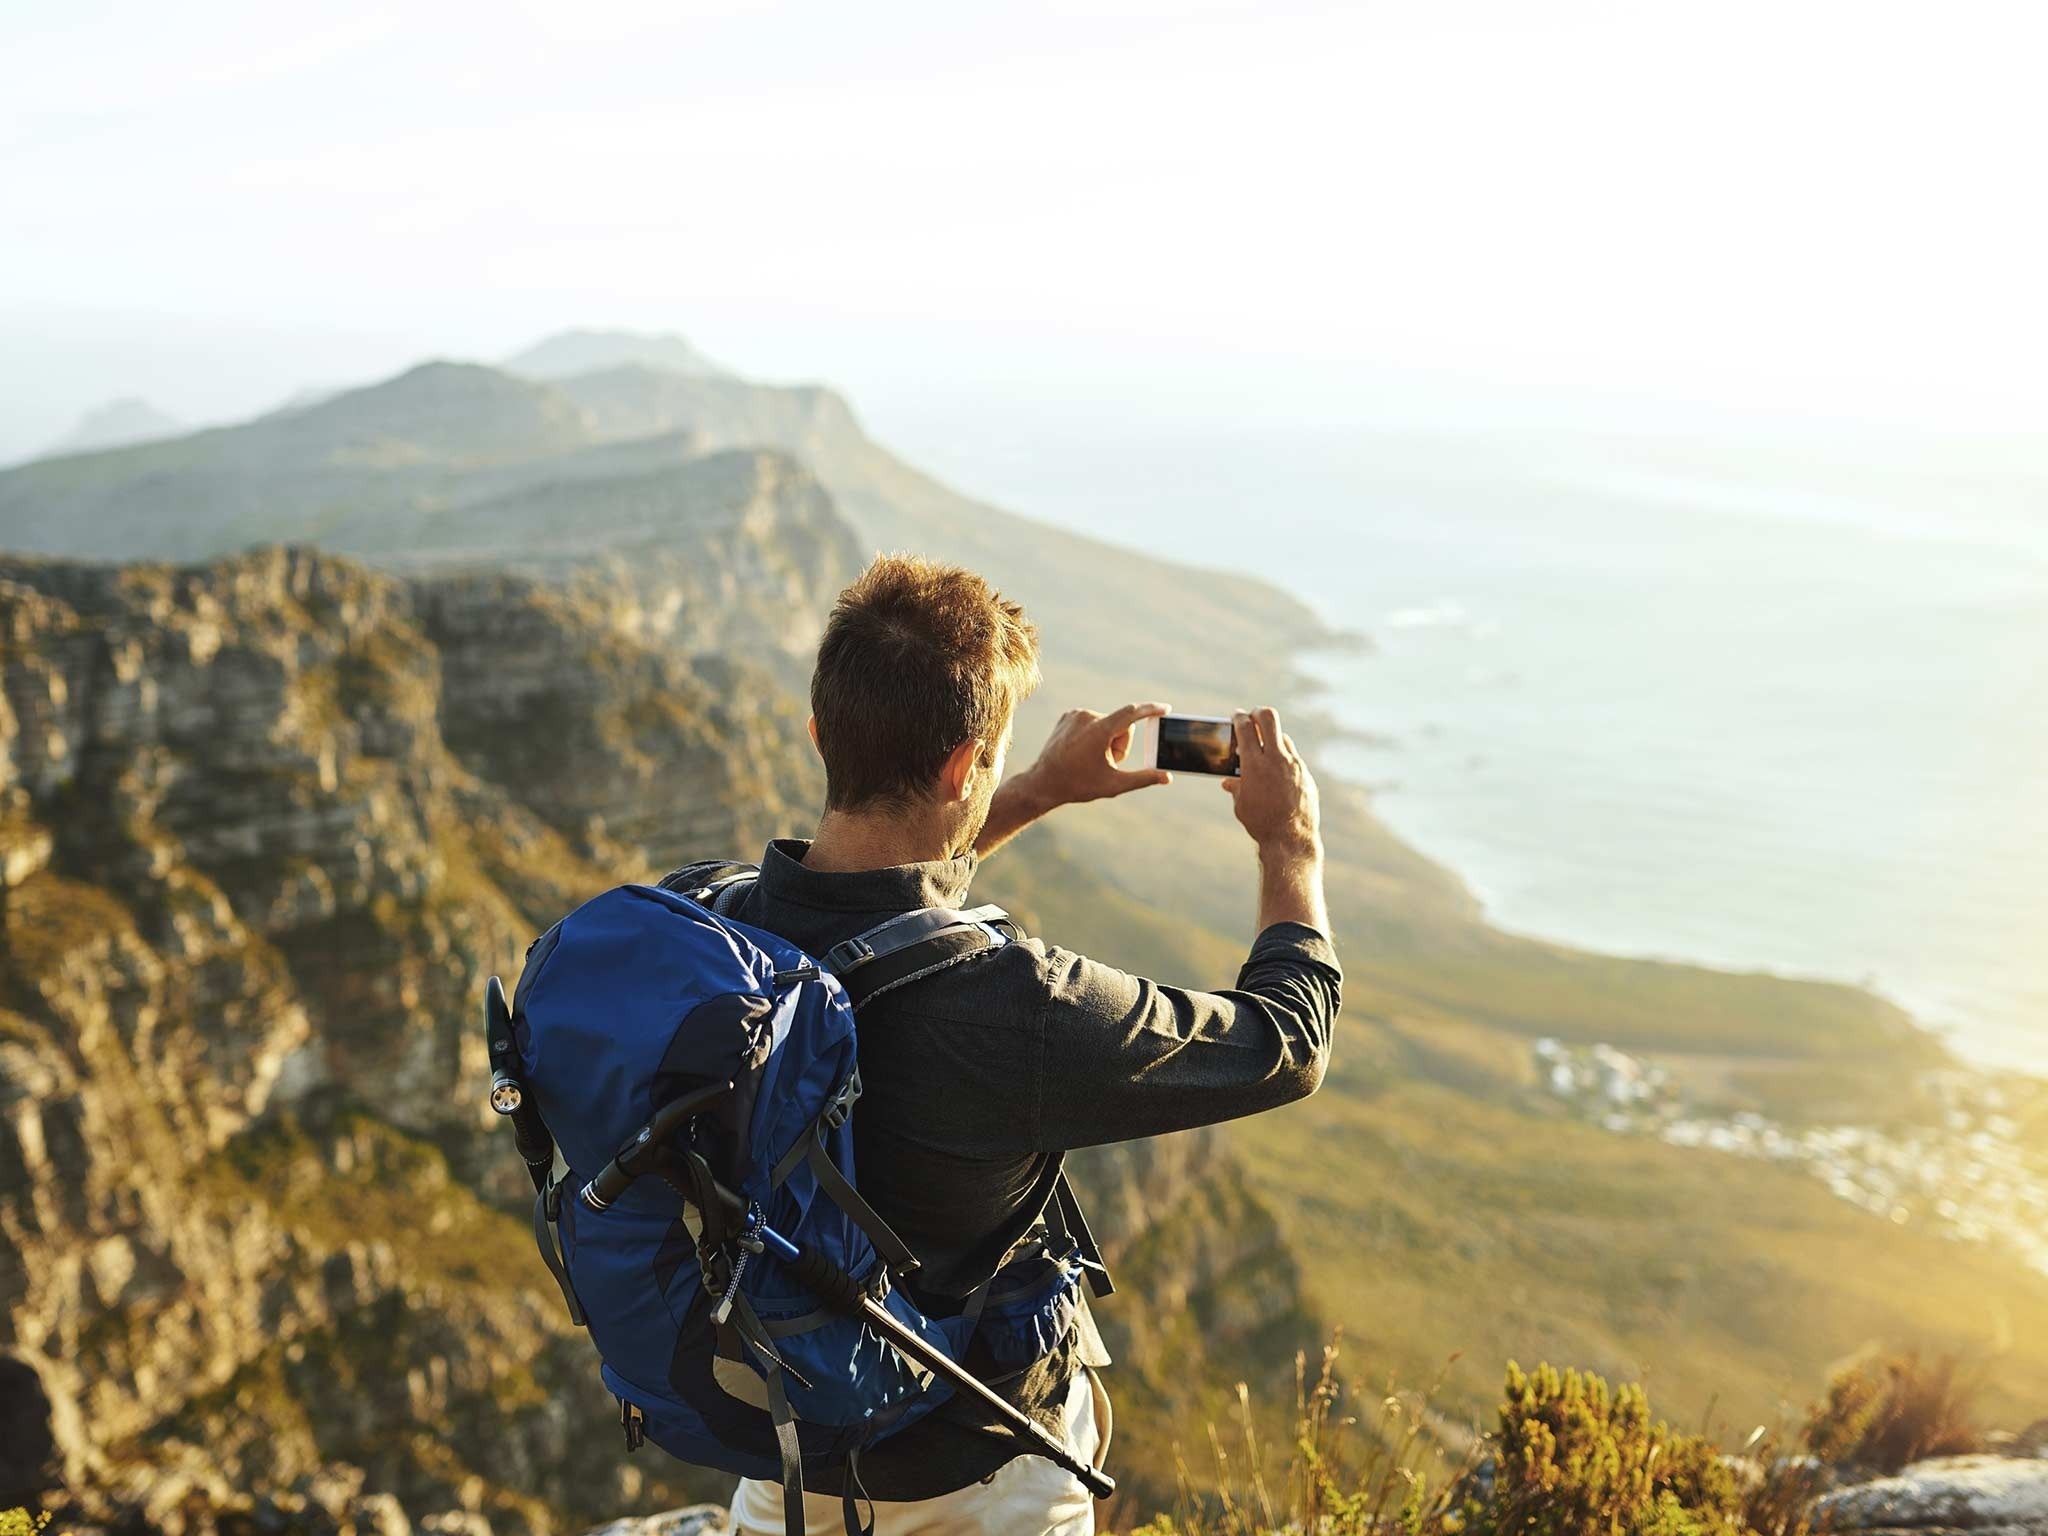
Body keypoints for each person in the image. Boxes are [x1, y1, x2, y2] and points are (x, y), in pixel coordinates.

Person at [683, 554, 1342, 1536]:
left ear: (823, 732)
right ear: (962, 767)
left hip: (782, 1460)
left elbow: (863, 907)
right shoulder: (1011, 1007)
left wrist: (1030, 789)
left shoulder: (709, 927)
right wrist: (1288, 848)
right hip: (978, 1483)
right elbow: (1286, 1041)